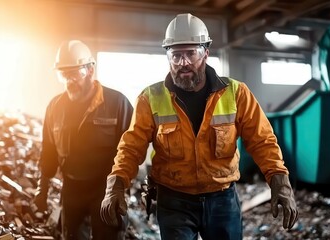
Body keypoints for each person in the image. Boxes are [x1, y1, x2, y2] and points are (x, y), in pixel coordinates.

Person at [100, 13, 298, 240]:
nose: (183, 62)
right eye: (176, 55)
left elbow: (262, 141)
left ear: (206, 52)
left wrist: (279, 182)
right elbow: (131, 147)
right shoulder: (150, 98)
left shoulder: (236, 93)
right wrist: (115, 186)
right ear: (168, 56)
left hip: (222, 201)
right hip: (174, 202)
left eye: (190, 54)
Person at [33, 40, 133, 240]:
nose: (69, 80)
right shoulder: (55, 107)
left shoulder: (117, 103)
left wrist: (121, 188)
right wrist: (41, 190)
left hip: (106, 188)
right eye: (63, 74)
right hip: (72, 188)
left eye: (74, 73)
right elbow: (49, 151)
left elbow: (131, 149)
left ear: (90, 70)